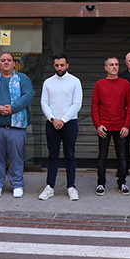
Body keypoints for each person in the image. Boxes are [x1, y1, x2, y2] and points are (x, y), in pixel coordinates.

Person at [0, 52, 33, 198]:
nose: (6, 63)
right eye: (3, 60)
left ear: (13, 63)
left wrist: (12, 108)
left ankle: (17, 184)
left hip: (16, 128)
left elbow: (28, 95)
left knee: (16, 157)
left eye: (9, 60)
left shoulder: (23, 79)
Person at [39, 53, 83, 201]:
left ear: (67, 65)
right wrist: (53, 119)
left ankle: (71, 186)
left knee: (70, 155)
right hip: (52, 123)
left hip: (69, 123)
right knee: (52, 155)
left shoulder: (75, 81)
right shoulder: (48, 82)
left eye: (62, 65)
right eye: (57, 65)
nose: (59, 68)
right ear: (54, 65)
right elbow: (44, 103)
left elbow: (76, 104)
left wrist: (63, 120)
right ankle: (50, 186)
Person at [91, 56, 130, 196]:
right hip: (104, 127)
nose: (114, 67)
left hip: (121, 126)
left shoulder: (125, 84)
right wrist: (98, 125)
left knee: (122, 156)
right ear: (106, 68)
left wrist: (127, 126)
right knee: (102, 156)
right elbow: (94, 106)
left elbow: (129, 105)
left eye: (116, 64)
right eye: (111, 65)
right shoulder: (99, 84)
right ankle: (101, 184)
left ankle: (122, 183)